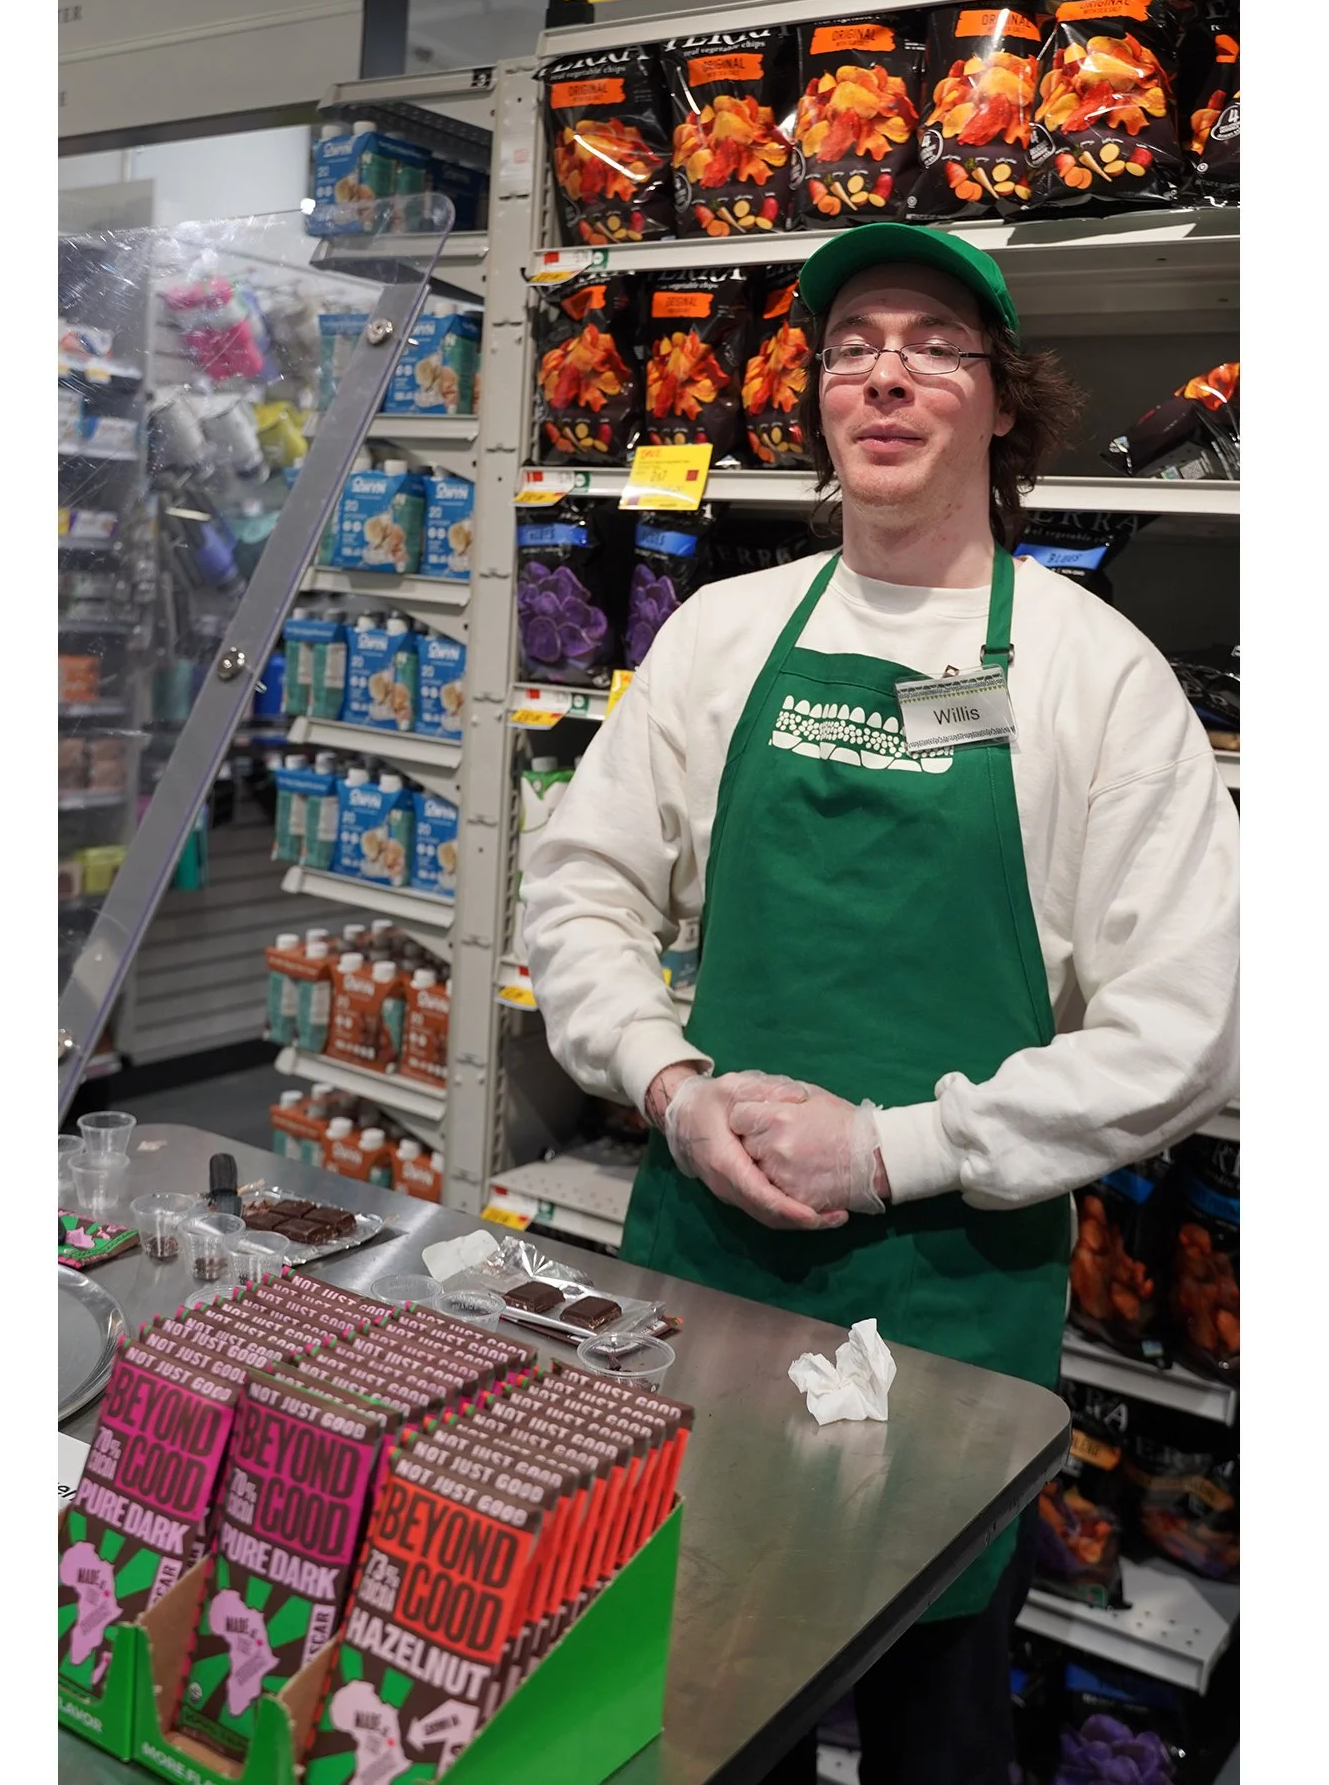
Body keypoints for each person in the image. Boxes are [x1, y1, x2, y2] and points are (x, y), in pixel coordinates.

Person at [522, 224, 1239, 1785]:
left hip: (949, 1303)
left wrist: (893, 1151)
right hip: (706, 1263)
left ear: (1004, 403)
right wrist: (666, 1083)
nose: (884, 375)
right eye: (850, 347)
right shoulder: (723, 635)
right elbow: (580, 888)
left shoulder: (1094, 674)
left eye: (933, 345)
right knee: (696, 1704)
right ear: (820, 401)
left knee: (933, 1717)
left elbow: (1180, 1026)